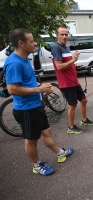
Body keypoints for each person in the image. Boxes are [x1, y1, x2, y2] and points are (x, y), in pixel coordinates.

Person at [4, 28, 74, 176]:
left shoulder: (24, 59)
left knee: (46, 131)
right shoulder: (14, 63)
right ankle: (36, 165)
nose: (35, 43)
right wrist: (38, 89)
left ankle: (60, 152)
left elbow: (25, 83)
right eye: (32, 41)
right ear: (21, 43)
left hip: (35, 105)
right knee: (31, 140)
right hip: (26, 109)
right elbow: (12, 89)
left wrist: (40, 87)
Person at [51, 27, 93, 134]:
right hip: (66, 83)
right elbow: (59, 67)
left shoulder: (66, 47)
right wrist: (73, 60)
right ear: (57, 35)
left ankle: (84, 120)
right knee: (72, 105)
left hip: (74, 81)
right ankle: (71, 127)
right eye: (62, 34)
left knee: (84, 100)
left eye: (66, 34)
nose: (64, 37)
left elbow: (67, 63)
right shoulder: (56, 48)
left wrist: (75, 66)